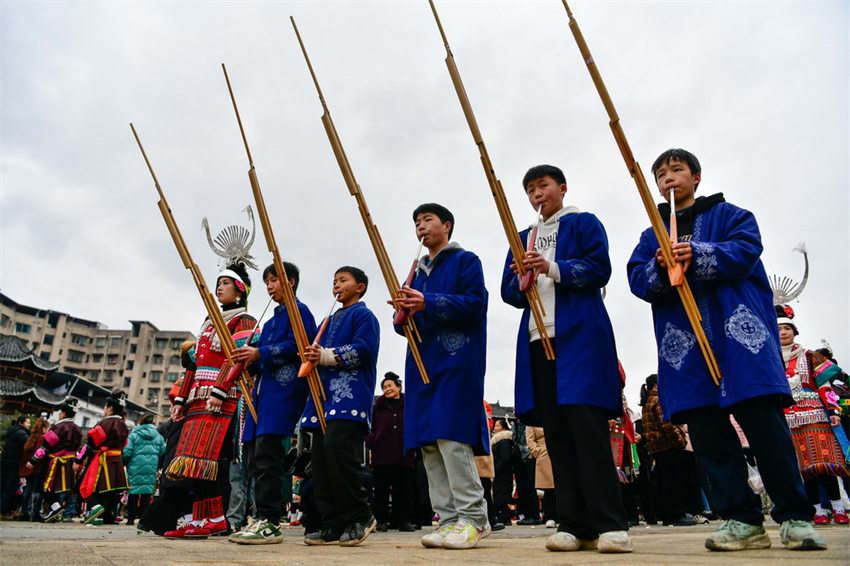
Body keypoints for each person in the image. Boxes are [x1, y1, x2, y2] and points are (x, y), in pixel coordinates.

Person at [627, 148, 825, 551]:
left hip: (740, 342)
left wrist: (697, 253)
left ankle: (795, 518)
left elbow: (745, 251)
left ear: (696, 176)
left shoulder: (731, 215)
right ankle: (741, 520)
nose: (668, 178)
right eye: (661, 174)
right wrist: (661, 266)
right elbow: (637, 279)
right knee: (711, 439)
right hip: (685, 350)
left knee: (767, 432)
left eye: (676, 169)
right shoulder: (652, 235)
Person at [501, 165, 632, 553]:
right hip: (537, 340)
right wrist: (521, 274)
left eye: (543, 185)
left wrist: (552, 267)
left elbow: (599, 267)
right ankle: (573, 524)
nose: (537, 193)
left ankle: (611, 523)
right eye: (530, 189)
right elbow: (510, 291)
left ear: (562, 188)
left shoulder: (583, 223)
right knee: (556, 434)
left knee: (586, 430)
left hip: (579, 338)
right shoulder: (524, 237)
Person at [394, 203, 491, 550]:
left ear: (446, 225)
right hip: (422, 362)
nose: (421, 227)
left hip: (456, 360)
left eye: (428, 220)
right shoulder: (415, 272)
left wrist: (428, 302)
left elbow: (474, 303)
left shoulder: (466, 261)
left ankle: (473, 518)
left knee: (452, 437)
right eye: (416, 222)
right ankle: (448, 519)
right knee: (429, 443)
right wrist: (404, 313)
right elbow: (408, 324)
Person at [164, 263, 258, 539]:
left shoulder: (244, 320)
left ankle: (215, 517)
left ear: (239, 291)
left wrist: (220, 389)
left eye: (226, 283)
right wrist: (181, 397)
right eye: (218, 283)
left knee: (210, 460)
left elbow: (237, 358)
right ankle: (201, 518)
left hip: (224, 398)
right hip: (198, 398)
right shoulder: (209, 322)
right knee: (193, 461)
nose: (219, 287)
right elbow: (193, 363)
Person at [228, 262, 313, 545]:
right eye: (267, 282)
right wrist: (246, 360)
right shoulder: (270, 320)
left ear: (290, 282)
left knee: (268, 453)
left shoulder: (299, 311)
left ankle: (270, 520)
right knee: (255, 457)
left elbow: (299, 346)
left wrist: (259, 353)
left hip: (284, 390)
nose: (269, 286)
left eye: (275, 280)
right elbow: (258, 357)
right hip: (262, 393)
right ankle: (260, 516)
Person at [302, 266, 380, 547]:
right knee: (320, 460)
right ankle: (331, 522)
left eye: (343, 280)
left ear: (360, 287)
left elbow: (363, 349)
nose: (336, 285)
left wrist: (323, 354)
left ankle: (359, 515)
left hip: (349, 396)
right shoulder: (326, 320)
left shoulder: (364, 315)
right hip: (323, 399)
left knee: (339, 452)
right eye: (334, 281)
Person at [776, 304, 849, 524]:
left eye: (787, 329)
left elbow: (825, 386)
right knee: (803, 466)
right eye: (778, 330)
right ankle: (817, 509)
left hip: (815, 414)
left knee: (824, 462)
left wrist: (833, 410)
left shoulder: (810, 356)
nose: (783, 333)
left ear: (794, 331)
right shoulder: (771, 358)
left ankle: (837, 508)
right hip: (787, 416)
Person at [640, 374, 695, 526]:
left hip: (655, 448)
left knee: (663, 481)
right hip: (667, 445)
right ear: (656, 386)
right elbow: (666, 424)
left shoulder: (646, 402)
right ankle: (676, 515)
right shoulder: (658, 400)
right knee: (673, 481)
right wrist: (679, 440)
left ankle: (666, 515)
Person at [367, 372, 417, 533]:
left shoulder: (409, 404)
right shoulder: (378, 406)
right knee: (381, 490)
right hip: (382, 453)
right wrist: (371, 442)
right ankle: (381, 521)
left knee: (404, 489)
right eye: (384, 387)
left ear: (399, 387)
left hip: (404, 454)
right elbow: (371, 427)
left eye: (390, 386)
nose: (387, 389)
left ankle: (404, 521)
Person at [75, 390, 130, 525]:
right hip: (117, 460)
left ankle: (95, 507)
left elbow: (90, 445)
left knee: (87, 485)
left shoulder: (105, 423)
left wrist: (78, 460)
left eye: (105, 407)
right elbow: (125, 444)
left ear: (110, 408)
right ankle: (102, 517)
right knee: (108, 490)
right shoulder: (124, 425)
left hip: (102, 460)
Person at [27, 400, 82, 523]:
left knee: (46, 487)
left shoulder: (59, 427)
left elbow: (45, 446)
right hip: (70, 462)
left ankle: (56, 507)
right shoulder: (77, 428)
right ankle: (55, 510)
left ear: (62, 413)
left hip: (55, 463)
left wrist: (33, 461)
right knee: (58, 489)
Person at [123, 414, 165, 526]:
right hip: (151, 467)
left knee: (133, 492)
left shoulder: (134, 435)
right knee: (147, 492)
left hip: (135, 466)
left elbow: (127, 451)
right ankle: (143, 520)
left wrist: (125, 461)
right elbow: (162, 451)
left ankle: (130, 519)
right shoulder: (158, 436)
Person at [18, 417, 50, 522]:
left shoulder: (31, 438)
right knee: (38, 490)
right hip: (38, 468)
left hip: (28, 469)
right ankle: (36, 513)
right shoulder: (43, 439)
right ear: (44, 428)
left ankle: (24, 512)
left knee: (27, 490)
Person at [526, 426, 556, 527]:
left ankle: (563, 515)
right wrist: (537, 451)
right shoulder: (533, 418)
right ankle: (550, 516)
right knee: (549, 487)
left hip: (559, 450)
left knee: (563, 485)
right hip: (543, 453)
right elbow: (530, 439)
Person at [1, 415, 31, 519]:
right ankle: (3, 511)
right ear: (21, 423)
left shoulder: (12, 432)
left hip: (5, 463)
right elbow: (29, 445)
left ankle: (4, 510)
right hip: (14, 465)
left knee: (3, 487)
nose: (29, 425)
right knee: (9, 488)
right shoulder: (21, 433)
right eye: (28, 423)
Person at [490, 418, 513, 525]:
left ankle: (505, 517)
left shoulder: (504, 441)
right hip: (499, 471)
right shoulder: (497, 441)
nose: (495, 428)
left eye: (497, 426)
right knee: (498, 493)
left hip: (503, 472)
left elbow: (505, 458)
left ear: (503, 428)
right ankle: (501, 516)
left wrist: (496, 470)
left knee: (502, 494)